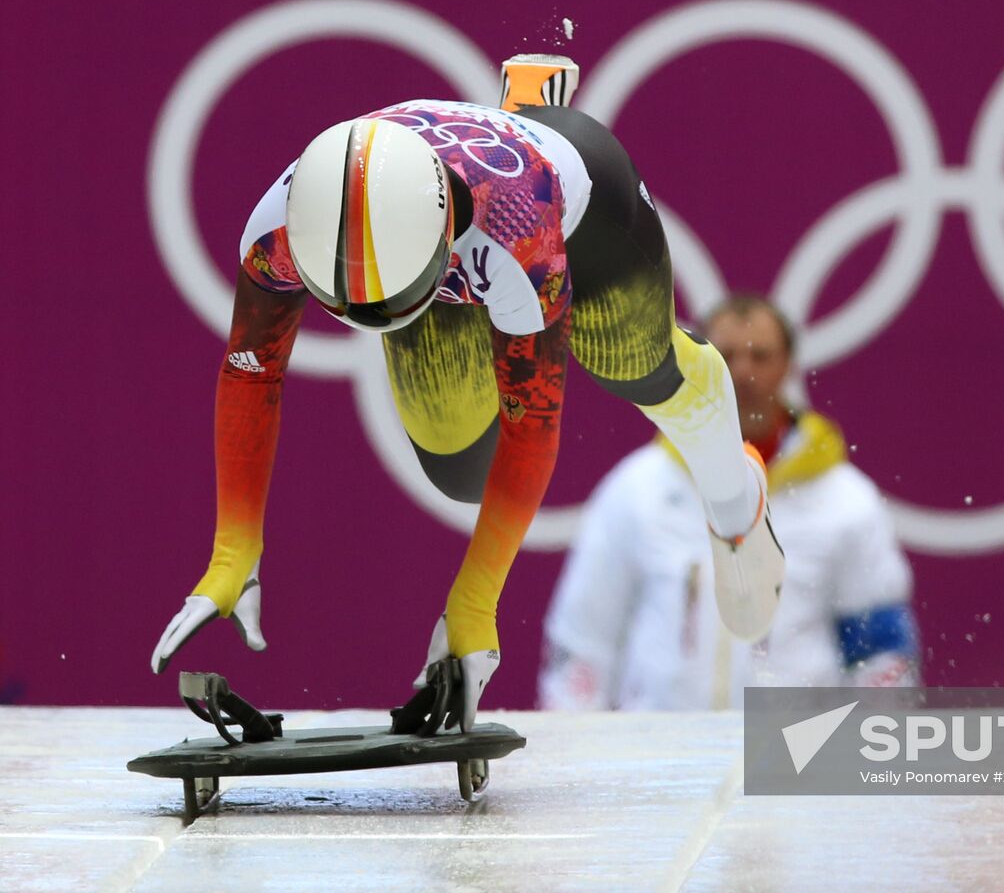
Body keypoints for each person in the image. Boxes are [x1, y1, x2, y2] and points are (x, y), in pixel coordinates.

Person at [150, 56, 785, 731]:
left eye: (389, 302)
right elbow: (252, 371)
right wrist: (233, 552)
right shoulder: (276, 229)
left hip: (579, 213)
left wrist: (475, 605)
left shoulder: (521, 235)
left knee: (631, 367)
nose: (372, 320)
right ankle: (519, 113)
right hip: (439, 246)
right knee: (457, 470)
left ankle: (736, 498)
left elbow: (531, 428)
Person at [540, 295, 920, 711]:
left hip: (793, 744)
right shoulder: (638, 489)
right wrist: (578, 733)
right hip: (661, 742)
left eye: (761, 356)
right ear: (696, 364)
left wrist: (868, 739)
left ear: (788, 365)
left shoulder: (845, 499)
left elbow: (881, 650)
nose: (742, 372)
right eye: (726, 356)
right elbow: (584, 638)